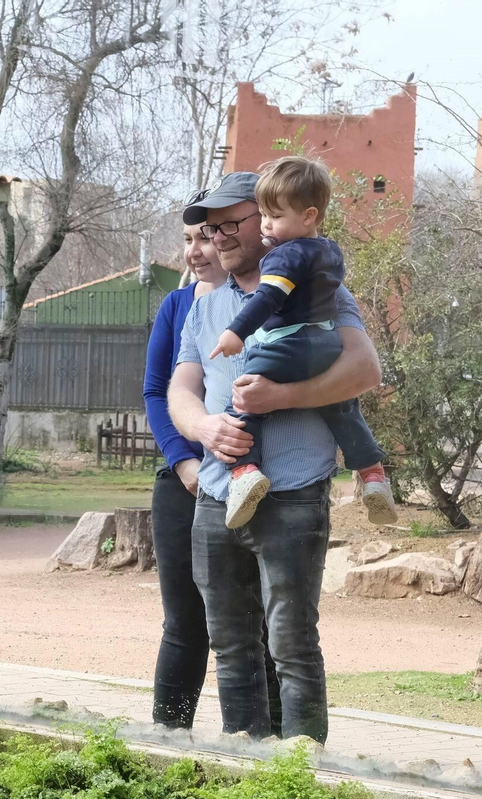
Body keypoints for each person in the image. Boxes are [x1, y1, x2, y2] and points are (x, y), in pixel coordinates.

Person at [168, 171, 384, 743]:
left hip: (292, 495)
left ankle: (302, 777)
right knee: (231, 647)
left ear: (266, 222)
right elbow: (180, 389)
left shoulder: (319, 292)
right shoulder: (206, 307)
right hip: (217, 495)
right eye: (210, 229)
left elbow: (365, 370)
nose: (218, 238)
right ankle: (246, 767)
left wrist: (280, 397)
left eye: (229, 225)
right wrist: (205, 428)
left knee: (292, 645)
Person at [207, 156, 396, 530]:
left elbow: (267, 298)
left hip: (286, 345)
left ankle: (244, 472)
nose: (266, 224)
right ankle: (373, 474)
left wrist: (236, 332)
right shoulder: (329, 250)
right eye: (263, 215)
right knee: (341, 405)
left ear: (309, 216)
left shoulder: (285, 255)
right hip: (325, 344)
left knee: (243, 398)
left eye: (274, 216)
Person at [143, 219, 279, 729]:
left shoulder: (276, 299)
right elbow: (158, 390)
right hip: (187, 483)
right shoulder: (179, 305)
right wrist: (185, 462)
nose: (197, 250)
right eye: (188, 240)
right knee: (185, 625)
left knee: (260, 628)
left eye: (205, 236)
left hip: (252, 485)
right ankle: (169, 738)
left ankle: (270, 748)